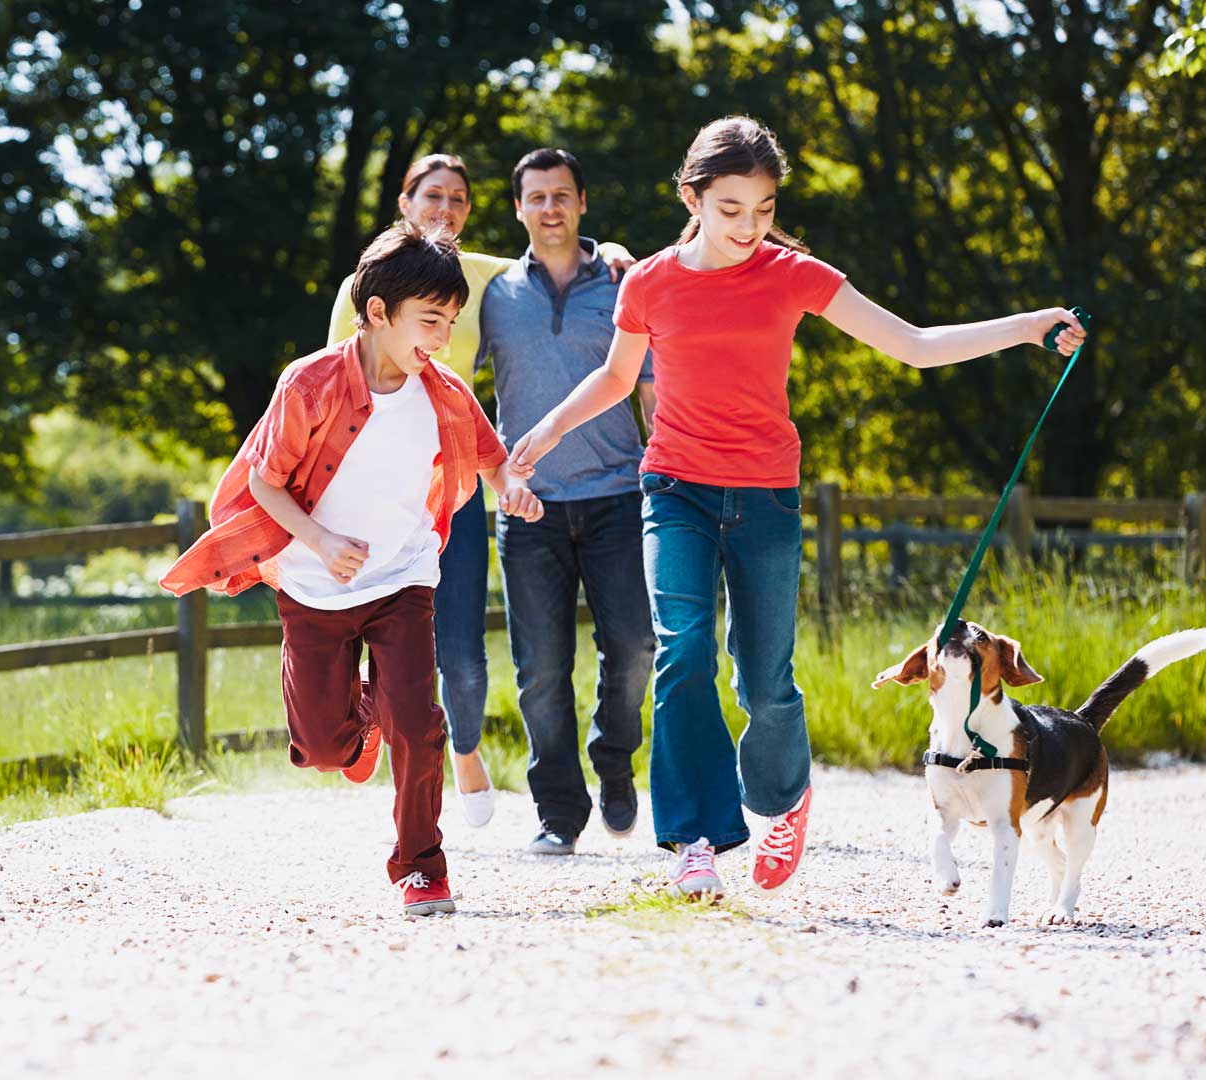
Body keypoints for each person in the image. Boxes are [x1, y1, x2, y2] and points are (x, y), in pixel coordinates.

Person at [510, 116, 1085, 899]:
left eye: (764, 208)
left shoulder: (792, 275)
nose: (750, 226)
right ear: (692, 198)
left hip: (765, 497)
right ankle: (694, 840)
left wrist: (1027, 327)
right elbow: (617, 378)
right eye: (731, 209)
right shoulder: (648, 282)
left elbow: (914, 345)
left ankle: (783, 800)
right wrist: (547, 431)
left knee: (766, 682)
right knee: (682, 653)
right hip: (674, 488)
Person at [165, 219, 544, 917]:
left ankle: (421, 866)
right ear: (378, 311)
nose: (443, 338)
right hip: (314, 583)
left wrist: (513, 489)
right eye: (430, 320)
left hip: (403, 578)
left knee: (418, 722)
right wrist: (318, 540)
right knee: (320, 747)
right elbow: (265, 482)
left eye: (451, 321)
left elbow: (492, 460)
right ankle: (362, 718)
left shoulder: (445, 392)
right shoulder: (309, 384)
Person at [326, 154, 633, 827]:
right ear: (405, 202)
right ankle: (368, 726)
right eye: (432, 195)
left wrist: (611, 249)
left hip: (455, 489)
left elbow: (558, 255)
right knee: (365, 631)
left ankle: (465, 751)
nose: (445, 208)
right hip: (374, 494)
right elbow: (333, 382)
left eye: (458, 199)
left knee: (465, 661)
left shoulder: (487, 278)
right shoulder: (364, 286)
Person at [476, 148, 657, 856]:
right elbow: (447, 378)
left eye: (561, 195)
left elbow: (653, 389)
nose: (549, 208)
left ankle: (614, 758)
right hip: (529, 506)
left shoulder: (622, 282)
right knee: (541, 672)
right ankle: (558, 811)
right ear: (518, 208)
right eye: (536, 197)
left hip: (618, 495)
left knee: (635, 647)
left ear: (582, 202)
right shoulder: (493, 295)